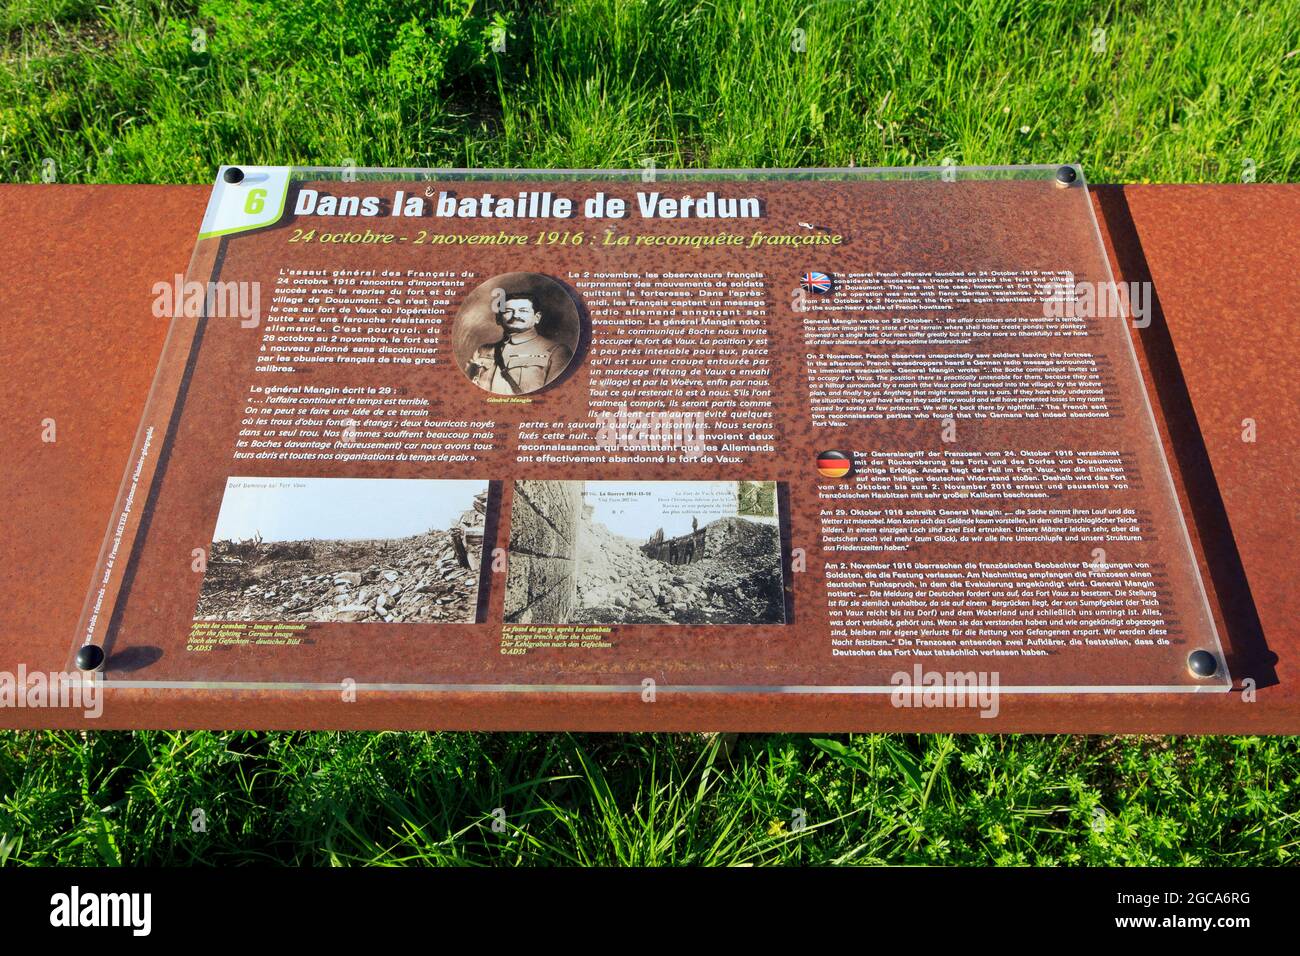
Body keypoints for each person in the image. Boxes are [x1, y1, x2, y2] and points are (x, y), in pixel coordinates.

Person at [465, 291, 573, 394]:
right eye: (508, 311)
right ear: (498, 319)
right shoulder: (482, 351)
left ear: (537, 317)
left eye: (523, 310)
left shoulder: (557, 352)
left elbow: (553, 396)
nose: (516, 315)